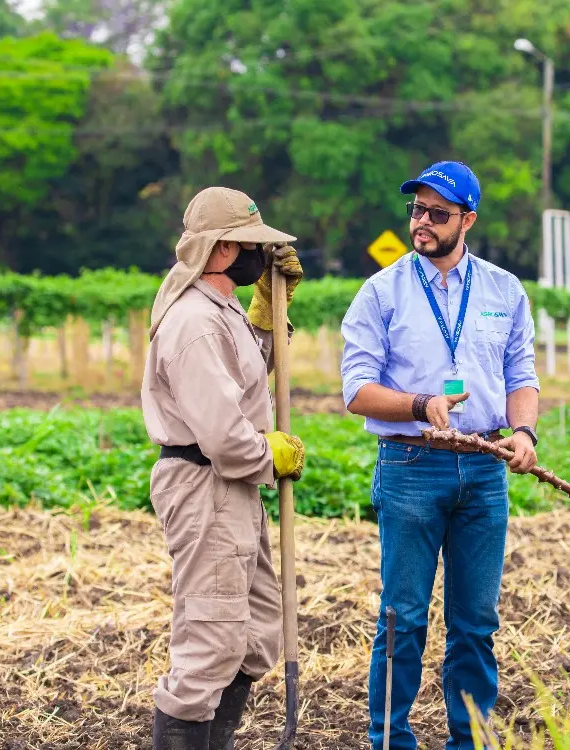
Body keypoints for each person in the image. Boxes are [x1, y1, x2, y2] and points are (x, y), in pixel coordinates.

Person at [340, 161, 542, 750]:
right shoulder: (381, 291)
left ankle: (471, 740)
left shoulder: (505, 291)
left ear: (468, 220)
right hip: (410, 466)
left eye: (437, 214)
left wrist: (524, 432)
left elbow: (520, 374)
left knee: (475, 625)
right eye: (416, 211)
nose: (421, 223)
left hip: (483, 469)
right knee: (401, 618)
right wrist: (419, 402)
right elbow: (356, 389)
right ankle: (390, 740)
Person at [142, 186, 308, 749]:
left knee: (257, 632)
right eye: (250, 248)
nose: (260, 256)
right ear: (219, 250)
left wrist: (267, 311)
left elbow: (246, 374)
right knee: (210, 640)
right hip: (206, 481)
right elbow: (222, 435)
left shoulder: (224, 308)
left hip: (232, 486)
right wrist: (271, 454)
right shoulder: (192, 322)